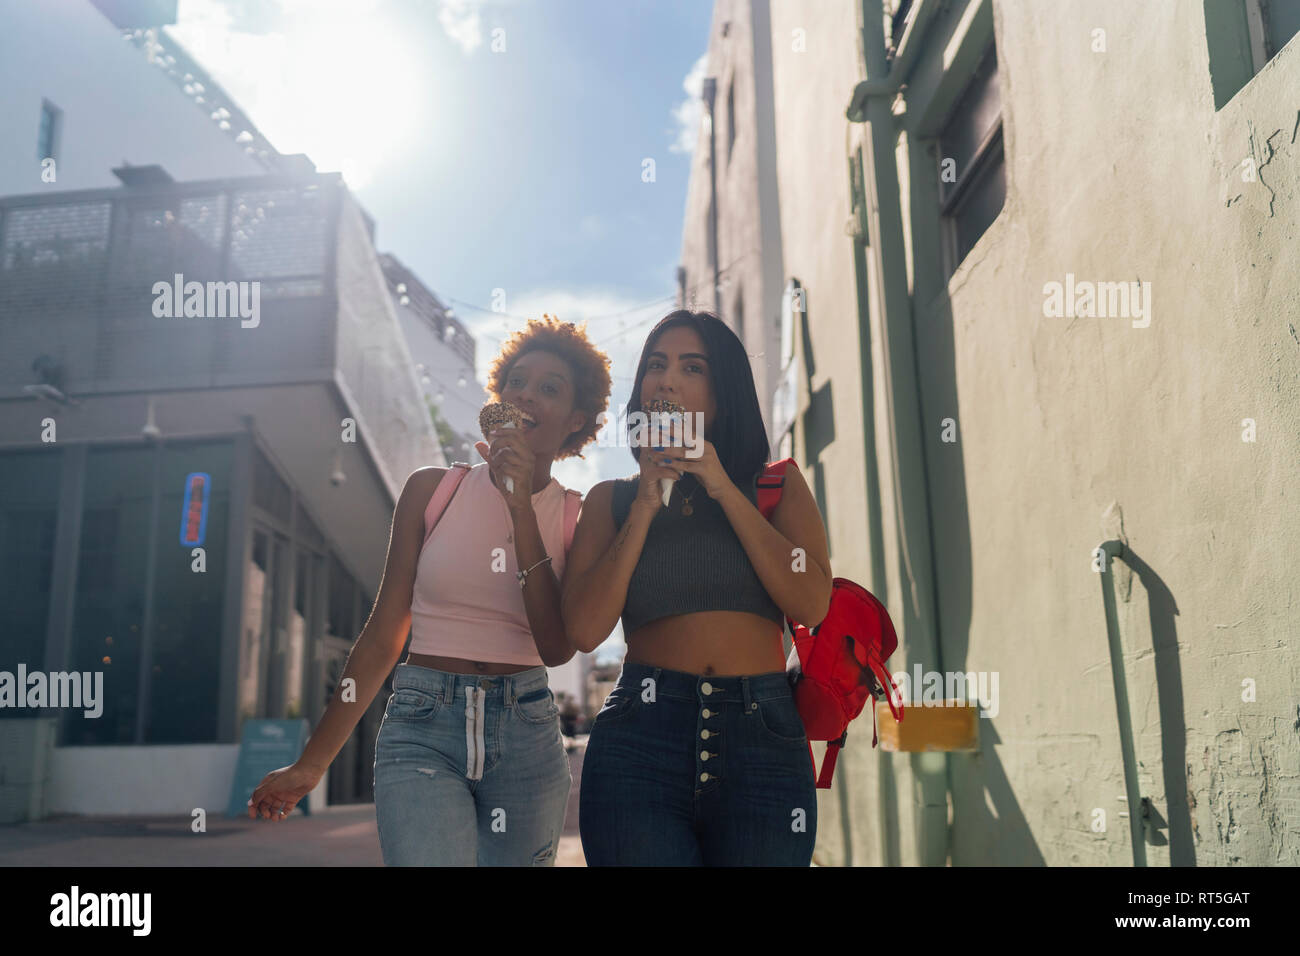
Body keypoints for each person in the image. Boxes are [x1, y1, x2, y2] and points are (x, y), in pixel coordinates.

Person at [248, 315, 611, 866]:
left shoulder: (575, 519)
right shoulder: (432, 491)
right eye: (516, 381)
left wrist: (519, 507)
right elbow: (381, 637)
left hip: (527, 730)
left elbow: (559, 648)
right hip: (422, 721)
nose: (525, 395)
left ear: (575, 421)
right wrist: (311, 764)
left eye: (549, 388)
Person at [562, 309, 833, 866]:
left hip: (762, 737)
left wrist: (722, 487)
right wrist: (644, 503)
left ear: (723, 391)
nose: (667, 379)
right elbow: (586, 632)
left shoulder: (777, 484)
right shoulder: (609, 501)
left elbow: (811, 602)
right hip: (640, 740)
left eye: (692, 367)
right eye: (656, 365)